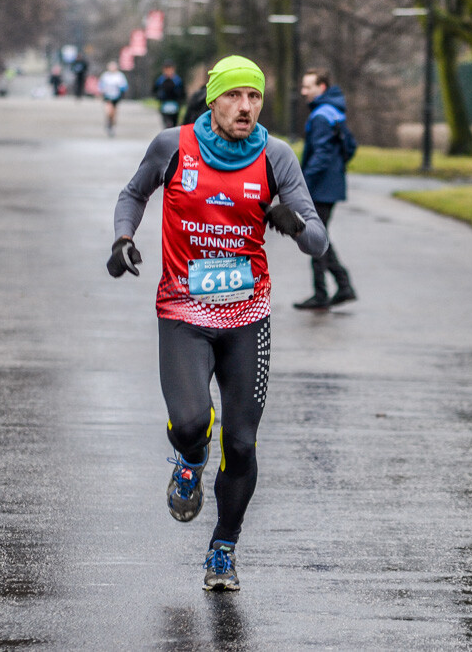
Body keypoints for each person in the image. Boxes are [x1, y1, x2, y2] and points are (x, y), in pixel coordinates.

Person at [107, 55, 327, 590]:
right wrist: (122, 239)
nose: (246, 107)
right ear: (214, 100)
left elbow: (318, 240)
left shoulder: (276, 157)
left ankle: (223, 548)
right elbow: (134, 193)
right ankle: (189, 459)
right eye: (235, 96)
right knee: (190, 422)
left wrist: (294, 223)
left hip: (247, 316)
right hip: (183, 310)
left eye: (254, 97)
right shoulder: (172, 146)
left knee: (244, 443)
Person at [293, 68, 357, 310]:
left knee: (315, 239)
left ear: (321, 88)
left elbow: (320, 154)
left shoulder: (321, 116)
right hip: (331, 186)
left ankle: (323, 293)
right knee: (320, 237)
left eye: (308, 86)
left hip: (320, 189)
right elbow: (351, 147)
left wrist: (301, 184)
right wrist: (337, 170)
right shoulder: (335, 112)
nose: (303, 91)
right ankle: (342, 286)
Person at [98, 61, 129, 136]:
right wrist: (101, 91)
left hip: (116, 96)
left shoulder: (119, 76)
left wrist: (121, 89)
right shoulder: (105, 75)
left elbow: (124, 86)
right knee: (108, 111)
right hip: (108, 96)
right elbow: (100, 85)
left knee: (114, 113)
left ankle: (112, 125)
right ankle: (108, 123)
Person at [153, 61, 186, 128]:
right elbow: (155, 90)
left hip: (175, 105)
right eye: (166, 69)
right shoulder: (160, 80)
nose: (168, 71)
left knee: (174, 123)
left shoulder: (178, 80)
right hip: (164, 105)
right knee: (167, 123)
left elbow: (182, 92)